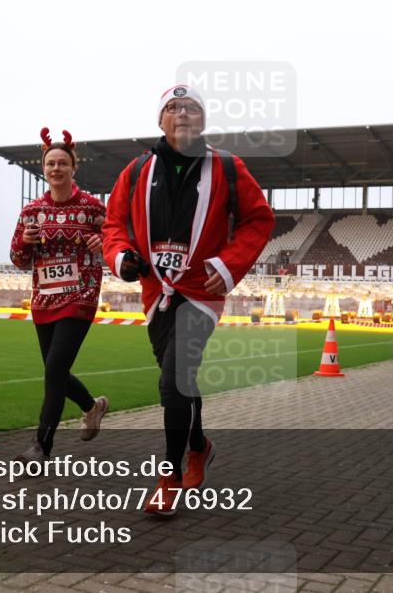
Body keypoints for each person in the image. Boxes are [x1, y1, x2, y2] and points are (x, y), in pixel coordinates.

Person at [103, 84, 274, 515]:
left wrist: (230, 264)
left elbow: (258, 218)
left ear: (204, 120)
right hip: (155, 293)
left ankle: (170, 475)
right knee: (180, 379)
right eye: (173, 108)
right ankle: (199, 446)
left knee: (173, 380)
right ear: (160, 120)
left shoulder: (228, 167)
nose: (182, 114)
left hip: (201, 292)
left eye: (192, 108)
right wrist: (121, 256)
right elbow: (114, 224)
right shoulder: (137, 170)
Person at [9, 128, 109, 465]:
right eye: (50, 163)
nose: (56, 168)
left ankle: (41, 447)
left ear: (73, 168)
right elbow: (19, 261)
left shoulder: (94, 209)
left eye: (62, 163)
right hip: (44, 300)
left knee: (53, 369)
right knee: (56, 373)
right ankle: (92, 407)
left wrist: (104, 244)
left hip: (80, 296)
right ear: (44, 168)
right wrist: (26, 242)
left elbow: (117, 245)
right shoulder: (31, 212)